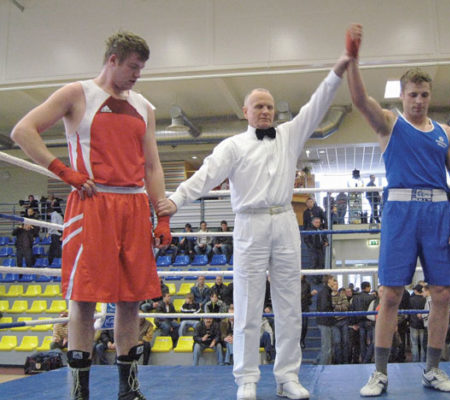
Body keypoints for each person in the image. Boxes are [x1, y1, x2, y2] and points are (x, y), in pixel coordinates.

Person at [159, 41, 354, 399]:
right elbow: (205, 175)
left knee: (289, 304)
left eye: (269, 106)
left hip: (285, 221)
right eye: (258, 106)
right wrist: (176, 199)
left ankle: (287, 377)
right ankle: (246, 379)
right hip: (249, 223)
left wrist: (339, 68)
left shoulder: (289, 135)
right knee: (247, 303)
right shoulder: (233, 146)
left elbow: (318, 105)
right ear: (245, 112)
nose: (265, 111)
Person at [10, 31, 172, 400]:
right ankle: (79, 392)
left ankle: (128, 390)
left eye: (142, 69)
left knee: (131, 301)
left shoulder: (143, 106)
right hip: (92, 202)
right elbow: (23, 131)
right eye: (133, 67)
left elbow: (153, 166)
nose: (138, 75)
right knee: (83, 300)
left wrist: (161, 215)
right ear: (113, 60)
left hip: (134, 206)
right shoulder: (77, 93)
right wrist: (63, 171)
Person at [345, 25, 450, 396]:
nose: (419, 100)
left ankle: (432, 370)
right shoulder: (389, 123)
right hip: (400, 213)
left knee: (443, 294)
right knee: (390, 294)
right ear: (402, 96)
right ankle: (379, 373)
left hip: (438, 214)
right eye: (412, 94)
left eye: (424, 94)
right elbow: (359, 100)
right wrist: (352, 60)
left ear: (430, 96)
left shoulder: (446, 133)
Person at [303, 216, 328, 284]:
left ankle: (319, 278)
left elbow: (324, 237)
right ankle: (313, 279)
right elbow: (306, 239)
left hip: (320, 248)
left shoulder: (321, 229)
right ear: (312, 222)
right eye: (316, 222)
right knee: (313, 263)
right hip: (313, 249)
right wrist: (311, 247)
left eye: (319, 222)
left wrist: (326, 242)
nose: (318, 224)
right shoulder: (309, 230)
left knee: (321, 263)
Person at [409, 284, 427, 362]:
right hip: (423, 324)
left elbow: (409, 311)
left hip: (413, 323)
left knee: (414, 344)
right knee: (423, 344)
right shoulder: (425, 300)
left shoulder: (411, 300)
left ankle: (415, 360)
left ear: (416, 291)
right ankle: (423, 361)